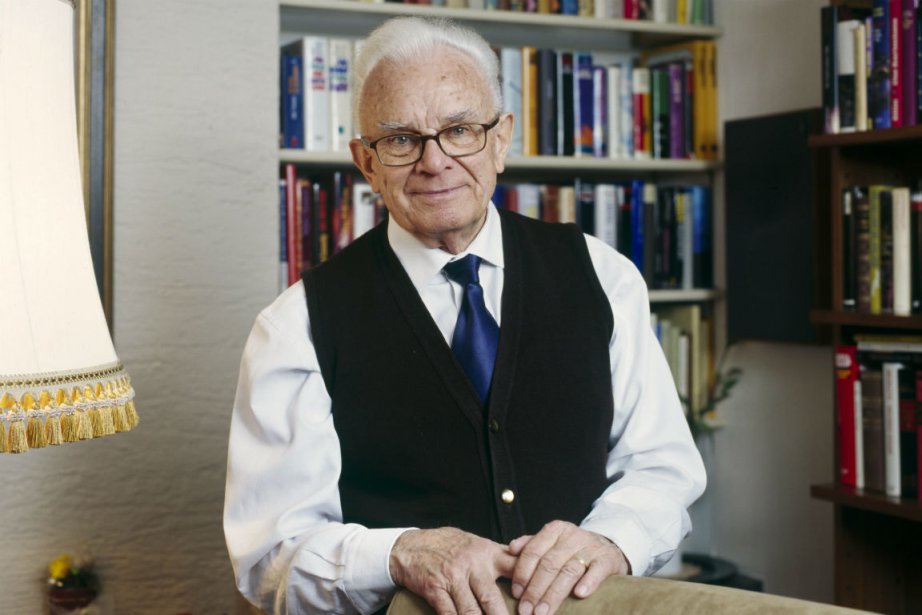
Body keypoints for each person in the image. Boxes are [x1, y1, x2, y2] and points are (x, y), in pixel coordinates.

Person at [224, 16, 706, 615]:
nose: (435, 161)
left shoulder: (604, 275)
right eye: (401, 139)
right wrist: (399, 553)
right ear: (366, 163)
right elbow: (271, 557)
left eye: (459, 130)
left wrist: (611, 538)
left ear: (501, 140)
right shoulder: (296, 325)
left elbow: (661, 467)